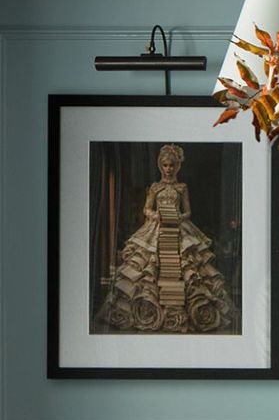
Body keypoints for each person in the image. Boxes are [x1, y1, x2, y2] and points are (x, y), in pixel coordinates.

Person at [98, 143, 241, 334]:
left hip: (177, 227)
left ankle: (180, 311)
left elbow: (188, 211)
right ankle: (151, 308)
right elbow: (146, 208)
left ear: (177, 166)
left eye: (172, 165)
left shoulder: (182, 187)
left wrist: (176, 217)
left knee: (188, 265)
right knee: (149, 265)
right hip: (157, 226)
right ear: (160, 166)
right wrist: (155, 215)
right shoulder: (155, 188)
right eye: (165, 165)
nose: (168, 169)